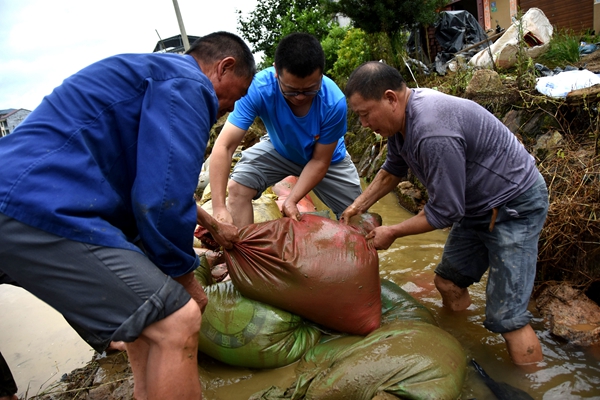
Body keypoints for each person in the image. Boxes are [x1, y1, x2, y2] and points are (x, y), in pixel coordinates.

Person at [0, 31, 255, 399]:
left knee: (146, 318)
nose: (228, 109)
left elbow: (145, 188)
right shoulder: (189, 83)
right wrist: (185, 281)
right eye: (236, 94)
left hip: (20, 196)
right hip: (31, 202)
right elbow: (163, 199)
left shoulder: (148, 75)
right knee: (177, 318)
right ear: (224, 67)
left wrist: (210, 225)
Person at [340, 61, 548, 366]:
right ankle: (462, 340)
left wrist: (393, 231)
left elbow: (446, 211)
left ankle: (531, 384)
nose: (364, 124)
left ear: (390, 98)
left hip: (514, 205)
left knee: (508, 317)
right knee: (448, 282)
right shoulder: (401, 125)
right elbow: (392, 171)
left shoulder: (430, 130)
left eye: (364, 114)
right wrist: (356, 207)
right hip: (478, 207)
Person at [209, 32, 362, 227]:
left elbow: (319, 161)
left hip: (329, 160)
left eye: (309, 90)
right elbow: (224, 147)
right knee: (237, 188)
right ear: (276, 72)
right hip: (280, 149)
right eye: (290, 90)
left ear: (321, 75)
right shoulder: (258, 88)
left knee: (357, 217)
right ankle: (245, 253)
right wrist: (218, 208)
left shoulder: (334, 102)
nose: (299, 97)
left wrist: (292, 199)